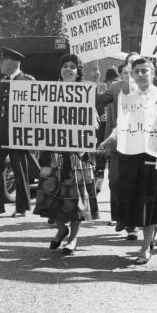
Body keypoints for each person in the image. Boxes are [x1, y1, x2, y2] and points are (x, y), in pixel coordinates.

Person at [99, 58, 157, 264]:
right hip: (130, 156)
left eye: (144, 71)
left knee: (150, 202)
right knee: (133, 200)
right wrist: (110, 139)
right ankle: (146, 235)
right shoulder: (126, 97)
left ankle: (145, 246)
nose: (141, 74)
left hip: (153, 156)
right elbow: (121, 125)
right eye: (137, 71)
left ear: (152, 74)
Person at [34, 53, 99, 254]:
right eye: (65, 66)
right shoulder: (49, 92)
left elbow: (95, 123)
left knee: (75, 200)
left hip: (77, 156)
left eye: (72, 66)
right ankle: (61, 229)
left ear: (78, 71)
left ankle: (73, 238)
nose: (68, 69)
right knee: (52, 198)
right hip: (54, 154)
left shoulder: (87, 91)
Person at [0, 47, 34, 219]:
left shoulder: (27, 81)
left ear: (12, 63)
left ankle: (21, 207)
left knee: (20, 169)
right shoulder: (1, 81)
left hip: (18, 133)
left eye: (1, 61)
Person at [97, 52, 141, 238]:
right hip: (117, 145)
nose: (132, 67)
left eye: (136, 64)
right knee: (115, 183)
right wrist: (93, 85)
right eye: (130, 64)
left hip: (140, 147)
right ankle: (121, 217)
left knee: (135, 186)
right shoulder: (115, 87)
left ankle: (133, 225)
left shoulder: (149, 88)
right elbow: (99, 102)